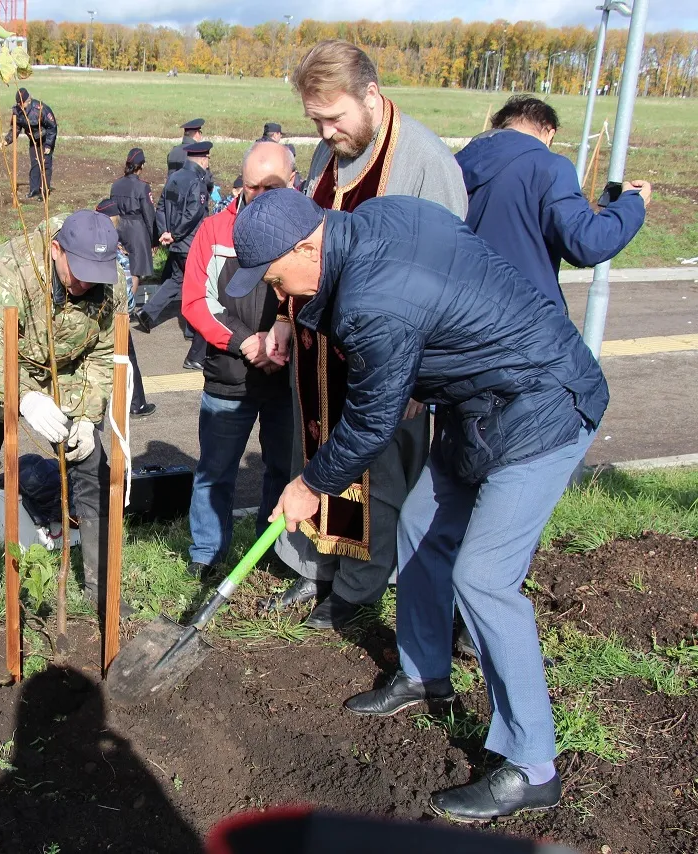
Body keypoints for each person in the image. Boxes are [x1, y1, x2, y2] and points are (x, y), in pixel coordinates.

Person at [233, 188, 609, 822]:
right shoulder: (376, 218)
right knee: (417, 525)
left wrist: (307, 484)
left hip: (543, 404)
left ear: (307, 245)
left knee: (484, 579)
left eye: (277, 279)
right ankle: (424, 671)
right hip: (481, 406)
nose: (281, 295)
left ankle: (532, 762)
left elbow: (372, 420)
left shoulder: (376, 300)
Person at [265, 39, 468, 630]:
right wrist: (283, 315)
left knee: (376, 477)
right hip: (320, 353)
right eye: (317, 120)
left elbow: (450, 271)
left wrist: (422, 371)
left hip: (388, 359)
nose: (326, 131)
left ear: (371, 95)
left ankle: (358, 589)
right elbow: (301, 242)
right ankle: (320, 569)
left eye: (335, 117)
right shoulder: (328, 158)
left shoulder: (425, 161)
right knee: (321, 459)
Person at [0, 210, 122, 613]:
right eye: (77, 271)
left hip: (60, 381)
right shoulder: (13, 266)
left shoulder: (109, 279)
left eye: (96, 273)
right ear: (57, 250)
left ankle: (101, 587)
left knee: (93, 472)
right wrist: (23, 395)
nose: (86, 283)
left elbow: (102, 352)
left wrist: (85, 415)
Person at [179, 142, 296, 579]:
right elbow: (195, 302)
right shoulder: (213, 231)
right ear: (239, 182)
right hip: (230, 374)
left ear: (293, 182)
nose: (262, 194)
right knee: (215, 469)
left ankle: (276, 550)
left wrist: (284, 332)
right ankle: (207, 552)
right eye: (253, 186)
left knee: (283, 468)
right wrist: (247, 342)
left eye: (274, 186)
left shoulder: (308, 229)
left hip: (288, 376)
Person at [456, 95, 651, 311]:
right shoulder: (549, 167)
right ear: (549, 132)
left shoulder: (455, 164)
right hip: (522, 321)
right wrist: (632, 203)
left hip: (456, 314)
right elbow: (588, 243)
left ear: (499, 126)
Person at [142, 140, 212, 369]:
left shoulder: (174, 178)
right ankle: (194, 331)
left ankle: (147, 313)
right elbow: (194, 214)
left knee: (176, 280)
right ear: (203, 159)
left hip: (175, 242)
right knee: (201, 288)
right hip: (190, 243)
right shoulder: (197, 182)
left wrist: (165, 232)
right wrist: (177, 234)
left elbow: (161, 206)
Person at [94, 197, 154, 418]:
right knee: (127, 358)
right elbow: (127, 287)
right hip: (116, 314)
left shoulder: (89, 242)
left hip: (91, 313)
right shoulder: (116, 248)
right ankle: (136, 403)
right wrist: (128, 308)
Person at [108, 147, 156, 281]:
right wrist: (154, 239)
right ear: (141, 166)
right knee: (137, 272)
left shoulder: (115, 185)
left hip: (119, 227)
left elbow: (112, 209)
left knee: (122, 269)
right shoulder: (142, 187)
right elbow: (149, 214)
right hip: (137, 231)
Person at [2, 87, 58, 200]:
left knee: (45, 165)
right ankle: (34, 190)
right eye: (19, 104)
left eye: (22, 103)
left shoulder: (40, 109)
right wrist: (7, 140)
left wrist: (48, 145)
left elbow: (52, 127)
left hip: (45, 138)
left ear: (28, 100)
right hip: (33, 140)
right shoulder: (17, 111)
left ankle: (44, 192)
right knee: (35, 164)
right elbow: (15, 128)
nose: (20, 106)